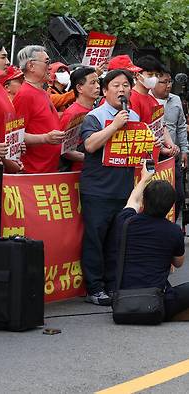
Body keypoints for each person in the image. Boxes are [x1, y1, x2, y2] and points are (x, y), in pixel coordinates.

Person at [79, 69, 141, 305]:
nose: (122, 90)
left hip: (124, 189)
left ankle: (114, 285)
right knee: (95, 239)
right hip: (98, 190)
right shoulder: (94, 117)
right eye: (116, 85)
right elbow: (90, 145)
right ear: (105, 91)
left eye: (126, 85)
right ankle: (94, 288)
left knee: (118, 240)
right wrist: (114, 125)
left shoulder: (133, 117)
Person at [113, 165, 189, 321]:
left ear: (144, 201)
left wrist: (145, 178)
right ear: (170, 207)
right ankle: (164, 315)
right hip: (156, 300)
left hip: (123, 299)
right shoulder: (173, 231)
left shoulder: (125, 221)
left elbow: (133, 199)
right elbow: (179, 262)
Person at [13, 45, 65, 173]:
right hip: (33, 172)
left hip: (47, 170)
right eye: (47, 62)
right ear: (31, 66)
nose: (50, 67)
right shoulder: (25, 95)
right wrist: (45, 138)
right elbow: (15, 135)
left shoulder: (42, 92)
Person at [151, 68, 189, 221]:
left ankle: (171, 224)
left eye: (170, 81)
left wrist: (185, 150)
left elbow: (181, 126)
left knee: (178, 195)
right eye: (163, 82)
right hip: (153, 156)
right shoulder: (147, 100)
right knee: (155, 196)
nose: (168, 85)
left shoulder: (176, 100)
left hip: (173, 155)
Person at [127, 55, 178, 157]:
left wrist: (171, 145)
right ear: (138, 75)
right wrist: (162, 150)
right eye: (150, 75)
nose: (154, 78)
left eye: (156, 75)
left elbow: (161, 126)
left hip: (155, 155)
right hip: (141, 157)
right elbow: (135, 131)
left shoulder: (152, 99)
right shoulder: (132, 98)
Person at [59, 66, 101, 171]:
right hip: (78, 173)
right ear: (79, 88)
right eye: (92, 83)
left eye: (98, 82)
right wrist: (92, 158)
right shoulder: (72, 114)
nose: (98, 86)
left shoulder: (96, 110)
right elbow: (64, 150)